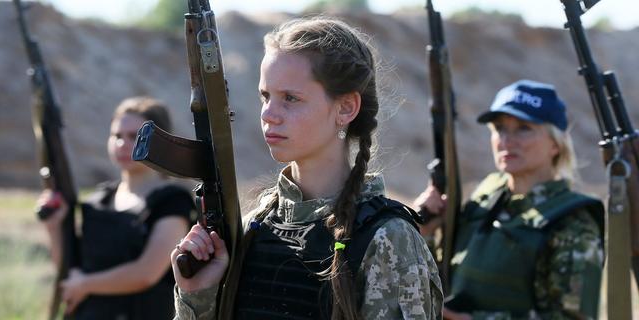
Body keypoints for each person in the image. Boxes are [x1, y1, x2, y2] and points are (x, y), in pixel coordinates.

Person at [171, 17, 443, 320]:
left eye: (290, 98)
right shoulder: (253, 227)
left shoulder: (388, 240)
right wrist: (198, 296)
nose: (269, 114)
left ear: (345, 108)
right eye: (266, 96)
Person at [415, 80, 604, 320]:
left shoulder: (572, 222)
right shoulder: (486, 197)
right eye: (500, 128)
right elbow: (444, 278)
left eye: (524, 128)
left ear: (555, 144)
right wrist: (424, 232)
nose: (507, 140)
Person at [38, 97, 194, 319]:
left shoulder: (172, 202)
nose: (122, 144)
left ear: (158, 142)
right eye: (117, 136)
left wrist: (85, 285)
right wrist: (54, 226)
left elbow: (146, 273)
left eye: (134, 136)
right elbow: (70, 267)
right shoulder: (97, 201)